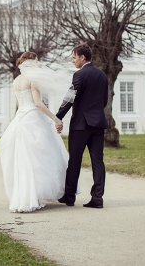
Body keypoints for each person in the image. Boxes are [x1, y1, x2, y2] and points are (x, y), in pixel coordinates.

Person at [0, 52, 71, 213]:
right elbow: (38, 103)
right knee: (40, 157)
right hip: (33, 118)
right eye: (37, 62)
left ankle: (26, 197)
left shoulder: (16, 81)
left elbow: (19, 104)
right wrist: (55, 119)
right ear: (31, 63)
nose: (39, 65)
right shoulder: (32, 80)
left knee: (24, 159)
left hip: (21, 119)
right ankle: (35, 196)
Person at [56, 43, 109, 209]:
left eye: (74, 57)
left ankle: (69, 197)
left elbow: (69, 98)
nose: (73, 61)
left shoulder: (79, 75)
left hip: (80, 125)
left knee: (74, 161)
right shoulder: (102, 75)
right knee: (98, 162)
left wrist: (58, 117)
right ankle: (97, 198)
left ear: (82, 57)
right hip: (98, 124)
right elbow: (104, 101)